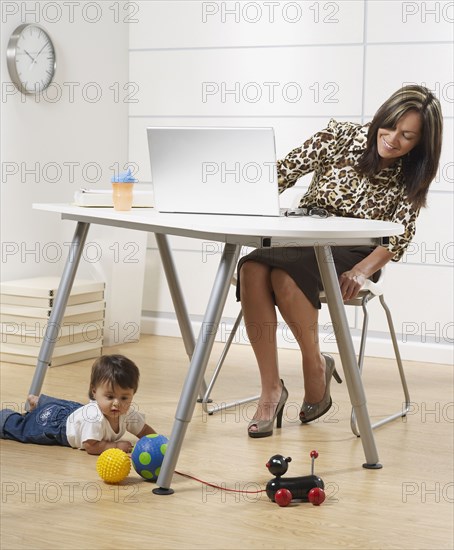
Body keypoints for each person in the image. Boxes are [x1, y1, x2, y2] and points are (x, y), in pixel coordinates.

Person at [237, 85, 443, 438]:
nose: (393, 140)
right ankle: (271, 390)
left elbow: (399, 236)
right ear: (381, 117)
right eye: (389, 127)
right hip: (302, 236)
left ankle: (313, 365)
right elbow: (281, 173)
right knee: (252, 266)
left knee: (284, 275)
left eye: (407, 136)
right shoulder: (337, 137)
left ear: (420, 143)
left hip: (354, 252)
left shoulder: (413, 171)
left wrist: (363, 271)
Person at [0, 354, 156, 454]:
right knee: (22, 428)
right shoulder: (94, 418)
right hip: (56, 427)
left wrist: (158, 443)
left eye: (124, 398)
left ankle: (39, 403)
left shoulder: (127, 413)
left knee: (72, 408)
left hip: (75, 412)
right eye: (110, 396)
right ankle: (5, 418)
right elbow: (91, 446)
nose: (117, 404)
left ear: (132, 394)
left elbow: (143, 430)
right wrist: (115, 447)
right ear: (94, 392)